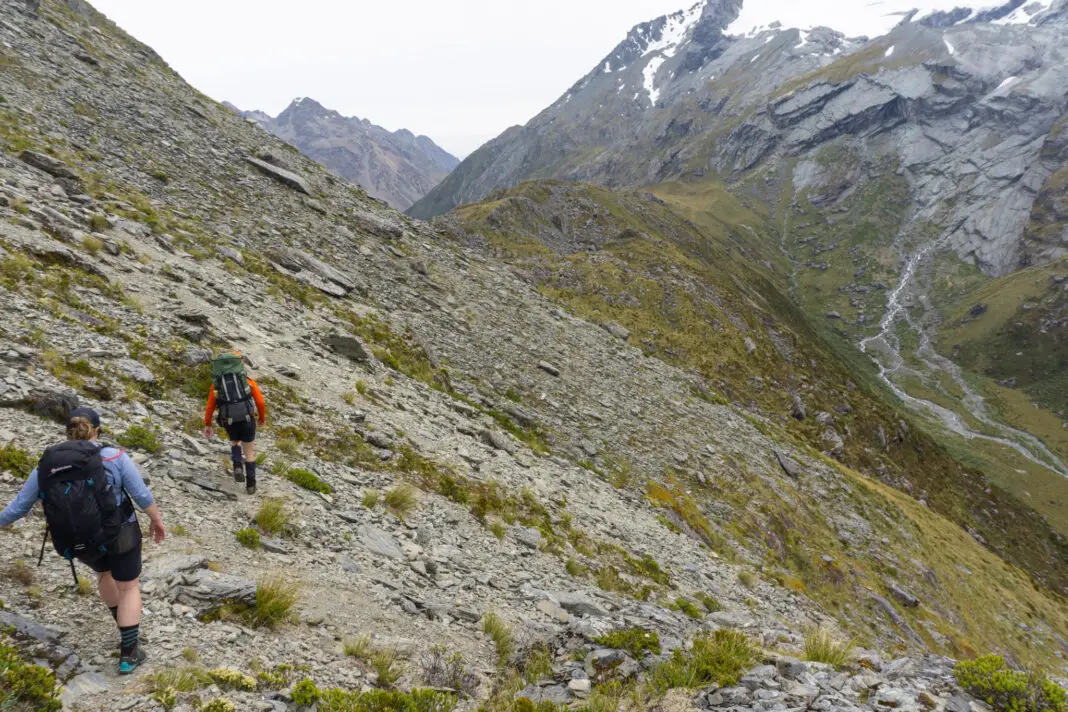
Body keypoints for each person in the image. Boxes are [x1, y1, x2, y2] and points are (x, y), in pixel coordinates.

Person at [0, 408, 166, 675]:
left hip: (80, 539)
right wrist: (156, 520)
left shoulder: (48, 463)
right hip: (120, 531)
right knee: (129, 587)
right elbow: (141, 494)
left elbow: (19, 507)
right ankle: (129, 653)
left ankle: (123, 628)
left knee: (104, 575)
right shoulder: (114, 456)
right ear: (97, 430)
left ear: (67, 431)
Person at [203, 352, 266, 495]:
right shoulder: (248, 382)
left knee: (235, 442)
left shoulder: (217, 385)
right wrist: (261, 418)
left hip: (229, 421)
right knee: (249, 452)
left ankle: (237, 465)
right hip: (248, 419)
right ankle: (251, 485)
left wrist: (207, 424)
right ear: (238, 364)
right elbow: (260, 402)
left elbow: (210, 407)